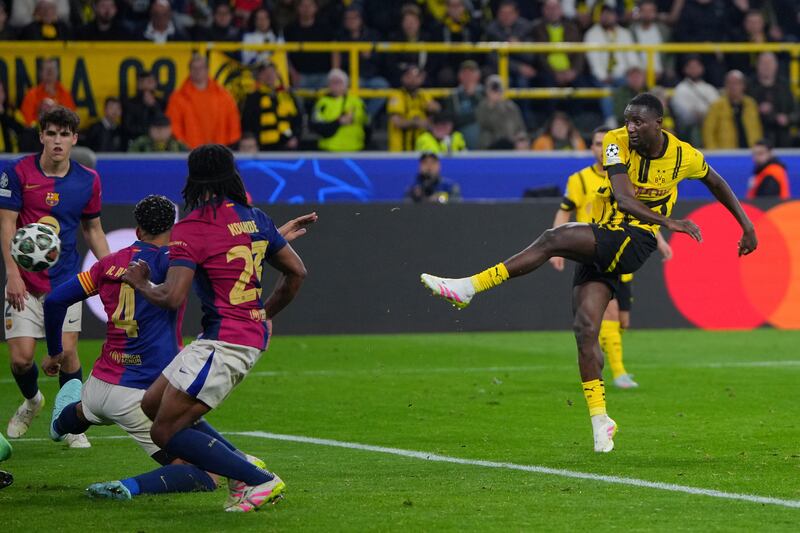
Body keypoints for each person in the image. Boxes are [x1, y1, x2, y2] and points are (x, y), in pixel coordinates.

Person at [420, 93, 757, 453]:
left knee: (553, 239)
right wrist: (670, 221)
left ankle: (471, 286)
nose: (630, 127)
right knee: (584, 332)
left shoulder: (683, 156)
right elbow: (625, 199)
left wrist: (747, 225)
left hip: (635, 240)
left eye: (638, 122)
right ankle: (601, 422)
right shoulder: (615, 143)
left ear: (659, 124)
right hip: (604, 237)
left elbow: (716, 182)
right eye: (627, 120)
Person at [42, 195, 317, 500]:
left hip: (99, 383)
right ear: (174, 229)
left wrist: (57, 351)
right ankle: (128, 487)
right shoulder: (174, 261)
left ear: (136, 230)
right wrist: (270, 240)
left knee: (81, 412)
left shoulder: (107, 264)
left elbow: (54, 301)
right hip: (141, 394)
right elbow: (229, 261)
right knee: (207, 471)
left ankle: (58, 425)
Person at [119, 144, 306, 512]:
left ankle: (258, 480)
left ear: (193, 178)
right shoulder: (255, 217)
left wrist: (140, 283)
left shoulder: (191, 227)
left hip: (226, 340)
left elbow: (173, 297)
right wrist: (264, 314)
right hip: (229, 335)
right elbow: (297, 272)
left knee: (164, 432)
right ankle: (240, 465)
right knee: (151, 403)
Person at [0, 106, 110, 448]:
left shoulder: (87, 179)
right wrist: (13, 274)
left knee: (66, 354)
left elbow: (93, 229)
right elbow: (6, 224)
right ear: (42, 136)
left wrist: (112, 268)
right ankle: (33, 401)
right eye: (52, 133)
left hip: (65, 282)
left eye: (65, 134)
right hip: (25, 284)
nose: (58, 141)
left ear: (74, 139)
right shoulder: (17, 172)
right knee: (20, 360)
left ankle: (71, 424)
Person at [549, 126, 672, 389]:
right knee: (610, 314)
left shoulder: (628, 175)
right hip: (594, 250)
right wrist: (558, 243)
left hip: (624, 250)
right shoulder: (579, 180)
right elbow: (565, 211)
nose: (600, 148)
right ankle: (619, 373)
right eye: (596, 143)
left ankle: (599, 359)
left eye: (604, 143)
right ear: (592, 148)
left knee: (622, 321)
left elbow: (642, 214)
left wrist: (660, 240)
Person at [166, 54, 242, 149]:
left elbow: (233, 124)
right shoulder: (178, 98)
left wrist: (227, 147)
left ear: (207, 70)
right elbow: (174, 126)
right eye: (194, 68)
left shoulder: (224, 96)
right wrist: (183, 147)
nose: (197, 71)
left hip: (219, 151)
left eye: (200, 68)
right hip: (189, 152)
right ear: (189, 71)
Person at [240, 62, 300, 151]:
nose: (269, 76)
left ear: (277, 74)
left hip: (286, 147)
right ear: (259, 76)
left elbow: (298, 119)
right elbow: (247, 122)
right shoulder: (252, 98)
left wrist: (294, 137)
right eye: (265, 73)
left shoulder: (287, 96)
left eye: (272, 72)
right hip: (261, 148)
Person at [310, 69, 368, 152]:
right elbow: (316, 123)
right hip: (328, 149)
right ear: (328, 84)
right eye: (333, 82)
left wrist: (352, 118)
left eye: (339, 82)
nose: (335, 85)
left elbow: (364, 118)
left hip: (354, 148)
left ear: (345, 84)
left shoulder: (356, 101)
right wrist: (338, 121)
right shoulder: (321, 102)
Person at [703, 70, 762, 149]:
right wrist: (713, 152)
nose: (733, 86)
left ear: (743, 85)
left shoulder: (751, 104)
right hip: (725, 153)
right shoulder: (716, 106)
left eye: (737, 83)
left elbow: (757, 129)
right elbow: (708, 131)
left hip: (750, 152)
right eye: (729, 83)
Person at [747, 52, 796, 148]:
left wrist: (788, 118)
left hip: (782, 136)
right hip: (757, 136)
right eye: (763, 63)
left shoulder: (784, 86)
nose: (767, 67)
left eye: (770, 63)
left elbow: (796, 111)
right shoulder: (749, 87)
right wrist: (756, 109)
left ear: (776, 66)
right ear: (757, 66)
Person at [387, 65, 440, 152]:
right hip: (399, 152)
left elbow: (436, 109)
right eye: (408, 76)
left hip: (421, 150)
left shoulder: (424, 95)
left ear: (422, 79)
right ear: (402, 78)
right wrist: (416, 123)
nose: (412, 80)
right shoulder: (397, 95)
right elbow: (396, 122)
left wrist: (434, 109)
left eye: (416, 77)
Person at [284, 0, 335, 90]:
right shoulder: (290, 29)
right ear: (298, 8)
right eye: (303, 5)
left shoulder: (325, 27)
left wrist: (333, 73)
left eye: (310, 5)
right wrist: (292, 73)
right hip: (299, 75)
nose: (306, 9)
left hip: (323, 75)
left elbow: (335, 50)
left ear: (315, 8)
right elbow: (285, 54)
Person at [671, 55, 718, 144]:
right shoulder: (680, 89)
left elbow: (716, 108)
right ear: (685, 69)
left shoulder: (709, 88)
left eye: (697, 66)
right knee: (695, 129)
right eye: (691, 67)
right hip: (690, 128)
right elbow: (684, 114)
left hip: (710, 123)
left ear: (702, 68)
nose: (694, 69)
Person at [20, 58, 76, 125]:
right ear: (41, 73)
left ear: (58, 72)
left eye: (52, 69)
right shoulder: (31, 95)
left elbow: (71, 120)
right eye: (47, 70)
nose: (50, 73)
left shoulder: (65, 94)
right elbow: (28, 121)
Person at [476, 75, 526, 150]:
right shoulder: (482, 106)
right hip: (490, 147)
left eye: (498, 87)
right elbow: (484, 124)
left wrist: (520, 139)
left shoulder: (511, 107)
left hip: (511, 146)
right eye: (493, 88)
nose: (496, 91)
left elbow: (521, 128)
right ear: (487, 90)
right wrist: (492, 104)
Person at [442, 60, 483, 150]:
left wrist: (474, 96)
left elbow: (487, 117)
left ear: (478, 75)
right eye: (465, 73)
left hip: (484, 142)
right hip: (461, 143)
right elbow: (452, 121)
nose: (468, 77)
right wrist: (475, 115)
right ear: (459, 76)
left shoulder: (485, 94)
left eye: (471, 73)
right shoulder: (452, 97)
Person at [122, 70, 166, 144]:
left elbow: (165, 123)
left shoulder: (162, 103)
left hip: (158, 144)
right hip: (135, 143)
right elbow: (127, 127)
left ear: (155, 84)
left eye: (149, 82)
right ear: (138, 84)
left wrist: (154, 106)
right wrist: (148, 131)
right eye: (142, 82)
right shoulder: (129, 103)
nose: (146, 86)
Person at [0, 80, 27, 153]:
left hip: (10, 157)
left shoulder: (13, 112)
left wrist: (2, 114)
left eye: (1, 91)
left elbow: (22, 131)